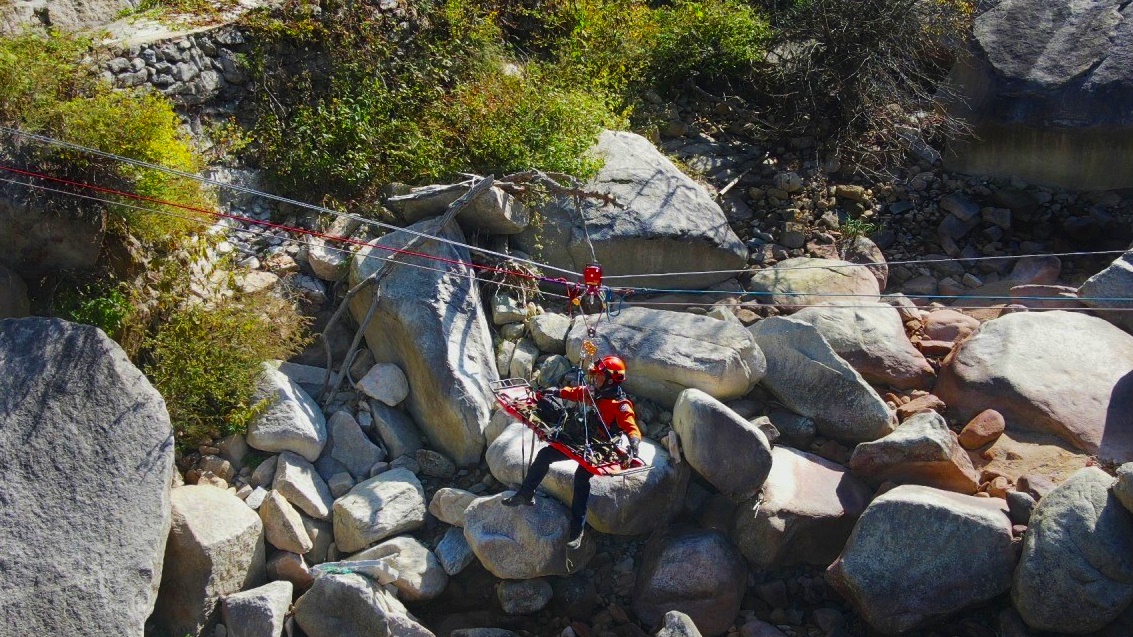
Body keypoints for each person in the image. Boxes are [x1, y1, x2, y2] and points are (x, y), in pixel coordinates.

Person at [502, 355, 642, 549]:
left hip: (600, 447)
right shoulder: (596, 392)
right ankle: (526, 493)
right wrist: (556, 392)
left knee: (581, 477)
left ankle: (577, 531)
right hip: (583, 438)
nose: (595, 379)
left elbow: (631, 426)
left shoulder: (620, 405)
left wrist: (634, 443)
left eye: (600, 377)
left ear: (611, 380)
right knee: (545, 455)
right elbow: (576, 392)